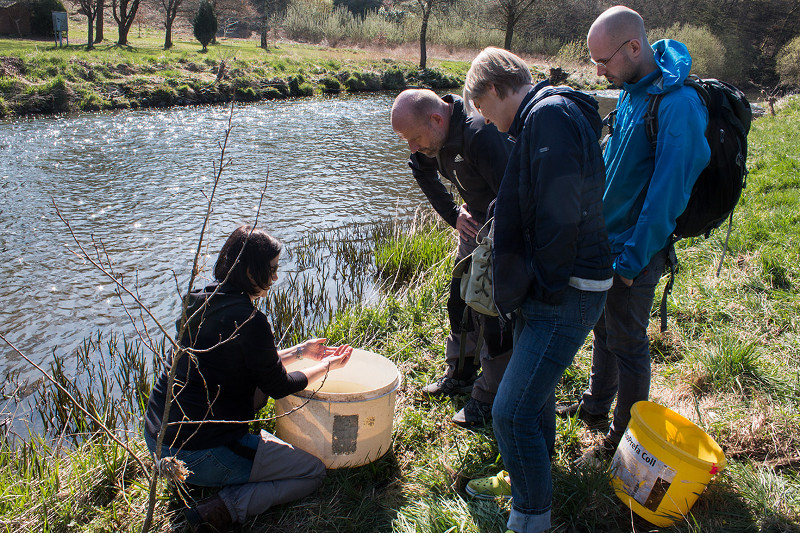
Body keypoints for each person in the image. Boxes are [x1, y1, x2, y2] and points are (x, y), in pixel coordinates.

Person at [462, 48, 613, 533]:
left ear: (495, 90)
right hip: (552, 288)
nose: (490, 124)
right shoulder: (541, 117)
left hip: (566, 290)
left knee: (509, 413)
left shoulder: (548, 117)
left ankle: (530, 518)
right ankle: (531, 471)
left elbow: (559, 214)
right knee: (535, 397)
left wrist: (541, 290)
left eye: (485, 110)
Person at [557, 5, 711, 463]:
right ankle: (594, 409)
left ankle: (622, 440)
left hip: (635, 252)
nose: (598, 70)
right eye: (594, 62)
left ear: (634, 47)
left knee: (627, 341)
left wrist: (630, 261)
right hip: (607, 244)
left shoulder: (678, 105)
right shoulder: (631, 90)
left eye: (603, 61)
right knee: (603, 331)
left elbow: (666, 196)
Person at [144, 225, 353, 532]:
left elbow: (248, 363)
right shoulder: (250, 320)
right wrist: (328, 367)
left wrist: (302, 351)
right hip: (195, 454)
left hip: (158, 438)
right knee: (311, 472)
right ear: (249, 271)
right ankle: (221, 509)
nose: (275, 278)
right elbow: (278, 385)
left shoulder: (199, 301)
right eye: (270, 270)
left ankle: (223, 470)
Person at [390, 88, 514, 428]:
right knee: (460, 301)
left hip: (505, 232)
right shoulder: (434, 136)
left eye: (414, 138)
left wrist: (495, 246)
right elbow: (422, 170)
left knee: (493, 314)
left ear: (436, 118)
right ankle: (459, 373)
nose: (413, 147)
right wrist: (452, 214)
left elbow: (515, 192)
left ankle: (489, 396)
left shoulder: (480, 134)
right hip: (475, 226)